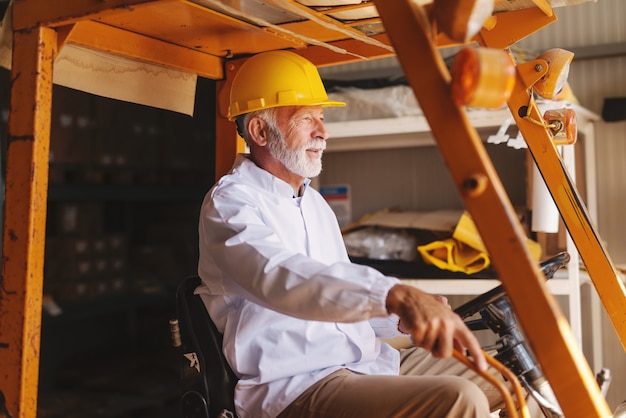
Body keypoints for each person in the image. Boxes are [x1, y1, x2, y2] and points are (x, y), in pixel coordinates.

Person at [197, 50, 500, 418]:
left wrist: (399, 318)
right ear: (260, 131)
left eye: (322, 118)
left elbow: (334, 303)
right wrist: (394, 294)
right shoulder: (230, 203)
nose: (323, 132)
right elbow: (280, 277)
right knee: (460, 399)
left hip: (366, 365)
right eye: (306, 119)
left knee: (512, 374)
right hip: (296, 387)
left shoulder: (313, 204)